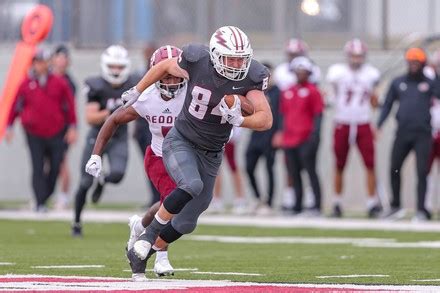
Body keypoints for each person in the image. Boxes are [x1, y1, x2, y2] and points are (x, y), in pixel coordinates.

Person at [103, 25, 272, 281]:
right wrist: (138, 90)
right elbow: (162, 67)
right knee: (189, 184)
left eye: (241, 58)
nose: (237, 64)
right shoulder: (197, 59)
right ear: (215, 55)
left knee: (186, 222)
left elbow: (265, 119)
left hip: (212, 152)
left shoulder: (252, 75)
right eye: (231, 58)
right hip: (181, 140)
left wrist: (239, 119)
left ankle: (143, 252)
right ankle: (147, 237)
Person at [86, 45, 186, 278]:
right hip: (160, 157)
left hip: (185, 157)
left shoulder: (192, 93)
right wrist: (96, 154)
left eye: (175, 76)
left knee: (173, 206)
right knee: (172, 202)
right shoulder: (146, 98)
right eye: (165, 75)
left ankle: (140, 226)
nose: (171, 82)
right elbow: (113, 120)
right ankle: (161, 255)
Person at [72, 45, 137, 236]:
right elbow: (90, 118)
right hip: (97, 137)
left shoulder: (133, 84)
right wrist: (113, 113)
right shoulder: (96, 85)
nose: (116, 71)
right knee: (84, 183)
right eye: (112, 66)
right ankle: (76, 222)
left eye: (119, 66)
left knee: (117, 174)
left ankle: (102, 181)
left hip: (119, 137)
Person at [6, 47, 77, 212]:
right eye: (38, 62)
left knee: (54, 167)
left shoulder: (60, 82)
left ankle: (44, 196)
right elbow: (15, 106)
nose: (41, 65)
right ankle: (39, 202)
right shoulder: (25, 83)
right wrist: (10, 126)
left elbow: (70, 106)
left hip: (56, 132)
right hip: (33, 132)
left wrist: (73, 127)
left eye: (44, 62)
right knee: (37, 166)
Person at [326, 38, 381, 218]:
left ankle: (372, 203)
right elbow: (331, 98)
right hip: (342, 122)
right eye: (354, 56)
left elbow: (374, 103)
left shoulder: (371, 74)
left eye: (359, 56)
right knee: (340, 164)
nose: (357, 59)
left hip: (363, 122)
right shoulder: (337, 73)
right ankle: (337, 202)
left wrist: (374, 98)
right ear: (348, 56)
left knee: (370, 164)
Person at [378, 47, 436, 221]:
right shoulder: (398, 82)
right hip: (402, 133)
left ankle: (421, 209)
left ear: (423, 63)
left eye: (416, 62)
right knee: (394, 168)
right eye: (411, 61)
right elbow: (387, 104)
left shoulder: (430, 83)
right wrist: (379, 124)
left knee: (421, 171)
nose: (413, 65)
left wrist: (436, 71)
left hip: (423, 134)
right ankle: (395, 205)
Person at [273, 38, 321, 211]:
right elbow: (282, 114)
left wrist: (315, 136)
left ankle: (316, 205)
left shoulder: (313, 91)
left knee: (310, 171)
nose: (300, 74)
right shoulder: (287, 91)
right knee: (293, 173)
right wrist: (280, 132)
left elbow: (318, 115)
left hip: (306, 137)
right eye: (298, 71)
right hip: (290, 137)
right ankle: (297, 205)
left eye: (303, 71)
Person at [245, 62, 280, 215]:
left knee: (269, 169)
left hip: (270, 134)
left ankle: (269, 203)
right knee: (249, 166)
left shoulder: (277, 92)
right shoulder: (254, 91)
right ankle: (258, 198)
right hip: (255, 134)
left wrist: (279, 133)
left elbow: (280, 115)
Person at [133, 43, 161, 207]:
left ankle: (160, 197)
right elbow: (137, 105)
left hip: (157, 126)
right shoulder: (141, 75)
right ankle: (154, 197)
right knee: (150, 165)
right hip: (143, 126)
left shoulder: (164, 75)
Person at [51, 44, 77, 210]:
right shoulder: (46, 78)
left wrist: (72, 128)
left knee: (61, 163)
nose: (61, 61)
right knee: (46, 165)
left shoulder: (69, 83)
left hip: (61, 129)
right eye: (59, 57)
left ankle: (64, 197)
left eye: (64, 58)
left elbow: (71, 109)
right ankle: (44, 195)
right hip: (46, 129)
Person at [210, 127, 247, 214]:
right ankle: (217, 199)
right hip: (216, 135)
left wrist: (235, 134)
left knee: (232, 165)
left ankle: (240, 199)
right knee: (216, 167)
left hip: (229, 134)